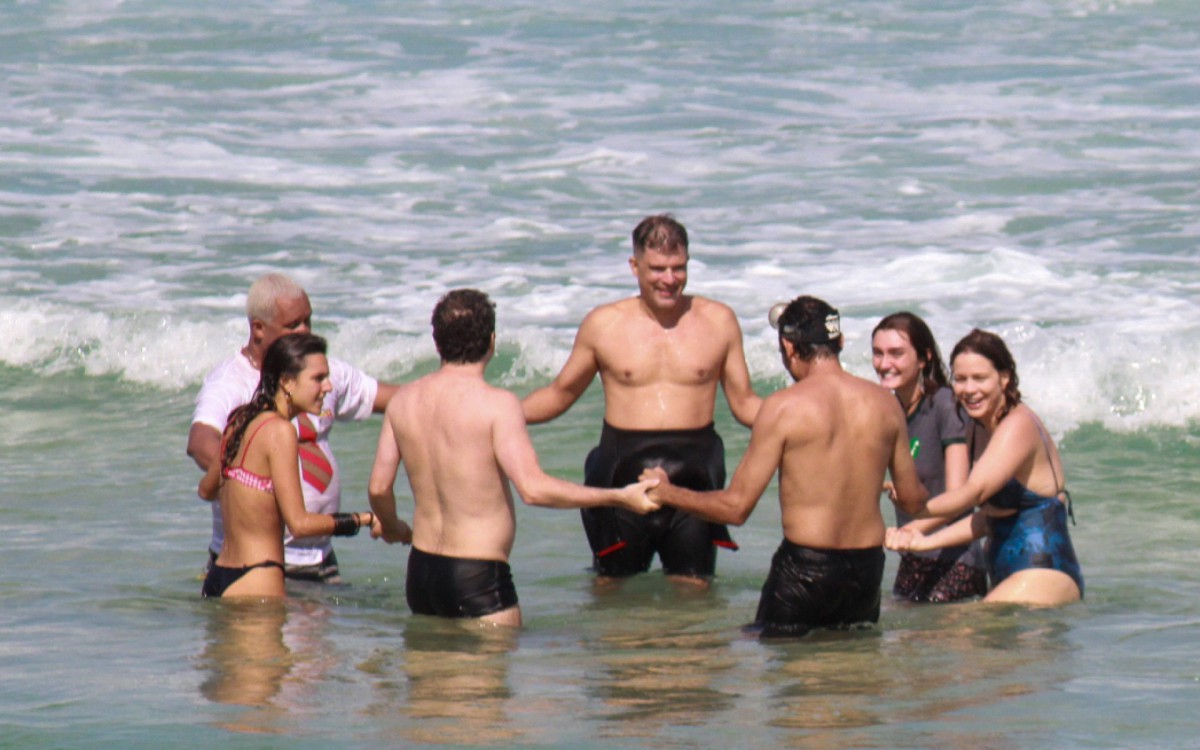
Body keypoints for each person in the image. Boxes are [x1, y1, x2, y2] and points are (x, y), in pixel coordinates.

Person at [367, 289, 660, 627]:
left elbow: (378, 488)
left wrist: (392, 526)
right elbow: (533, 489)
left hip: (421, 573)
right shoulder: (497, 404)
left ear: (437, 342)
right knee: (488, 678)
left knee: (431, 678)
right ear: (492, 341)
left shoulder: (403, 401)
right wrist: (619, 497)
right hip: (477, 574)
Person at [642, 296, 928, 637]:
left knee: (781, 674)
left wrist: (666, 492)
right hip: (866, 572)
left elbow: (736, 508)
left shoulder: (783, 407)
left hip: (805, 570)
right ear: (839, 342)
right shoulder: (885, 404)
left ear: (790, 347)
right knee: (854, 678)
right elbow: (912, 500)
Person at [521, 214, 762, 587]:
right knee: (611, 592)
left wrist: (806, 416)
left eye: (678, 268)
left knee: (694, 591)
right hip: (622, 470)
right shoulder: (603, 323)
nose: (670, 279)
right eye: (658, 268)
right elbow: (560, 394)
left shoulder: (719, 320)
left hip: (696, 473)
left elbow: (745, 404)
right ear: (634, 266)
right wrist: (497, 412)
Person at [187, 273, 398, 584]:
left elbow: (398, 400)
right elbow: (200, 440)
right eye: (292, 324)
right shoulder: (232, 384)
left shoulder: (320, 373)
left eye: (308, 321)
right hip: (261, 560)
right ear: (258, 328)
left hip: (319, 555)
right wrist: (256, 474)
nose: (304, 331)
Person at [885, 329, 1083, 606]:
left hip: (1044, 570)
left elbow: (973, 494)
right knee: (954, 637)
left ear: (1004, 378)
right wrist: (922, 540)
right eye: (961, 379)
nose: (968, 389)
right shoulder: (979, 428)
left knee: (961, 629)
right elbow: (990, 517)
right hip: (1007, 574)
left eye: (980, 378)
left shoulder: (1018, 425)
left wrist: (916, 507)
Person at [198, 333, 380, 598]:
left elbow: (206, 490)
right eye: (318, 378)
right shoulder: (281, 431)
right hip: (258, 578)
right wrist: (364, 519)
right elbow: (300, 524)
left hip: (219, 575)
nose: (328, 387)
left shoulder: (240, 420)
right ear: (286, 382)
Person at [872, 312, 987, 603]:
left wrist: (906, 530)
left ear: (924, 358)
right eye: (878, 353)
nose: (885, 364)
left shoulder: (945, 404)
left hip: (955, 562)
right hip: (913, 558)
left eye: (896, 353)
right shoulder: (890, 409)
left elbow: (959, 497)